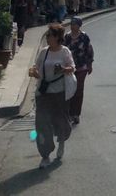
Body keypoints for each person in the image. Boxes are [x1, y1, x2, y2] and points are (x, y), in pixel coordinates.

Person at [29, 23, 75, 168]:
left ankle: (61, 141)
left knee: (60, 121)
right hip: (43, 94)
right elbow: (35, 67)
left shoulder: (65, 52)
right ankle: (45, 155)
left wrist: (63, 69)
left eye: (49, 35)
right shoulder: (44, 52)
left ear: (57, 37)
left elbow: (72, 68)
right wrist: (34, 72)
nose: (47, 37)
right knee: (42, 124)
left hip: (59, 93)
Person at [64, 17, 94, 124]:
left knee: (78, 90)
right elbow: (63, 51)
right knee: (70, 89)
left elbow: (89, 51)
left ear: (79, 25)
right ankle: (69, 113)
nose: (73, 26)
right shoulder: (67, 37)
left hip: (82, 67)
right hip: (69, 68)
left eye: (75, 24)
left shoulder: (84, 37)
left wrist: (89, 65)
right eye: (72, 24)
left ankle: (76, 114)